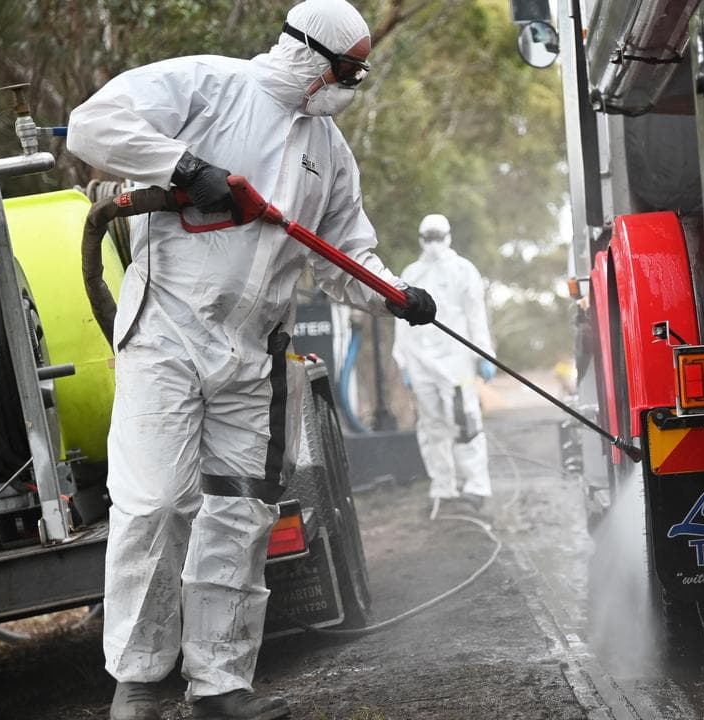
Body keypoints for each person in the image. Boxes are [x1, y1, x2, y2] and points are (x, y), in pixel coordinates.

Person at [66, 2, 436, 718]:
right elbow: (91, 125)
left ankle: (221, 688)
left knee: (239, 519)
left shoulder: (328, 150)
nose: (352, 84)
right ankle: (139, 685)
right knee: (157, 506)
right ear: (308, 53)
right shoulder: (207, 85)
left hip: (251, 357)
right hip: (167, 340)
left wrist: (395, 293)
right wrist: (185, 167)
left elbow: (345, 255)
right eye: (348, 69)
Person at [392, 214, 496, 519]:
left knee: (465, 426)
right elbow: (400, 322)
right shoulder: (411, 273)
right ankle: (443, 488)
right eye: (429, 236)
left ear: (448, 236)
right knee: (431, 428)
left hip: (456, 361)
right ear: (421, 239)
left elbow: (476, 315)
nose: (434, 242)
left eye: (439, 235)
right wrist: (403, 363)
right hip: (420, 362)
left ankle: (476, 488)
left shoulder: (464, 270)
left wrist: (483, 355)